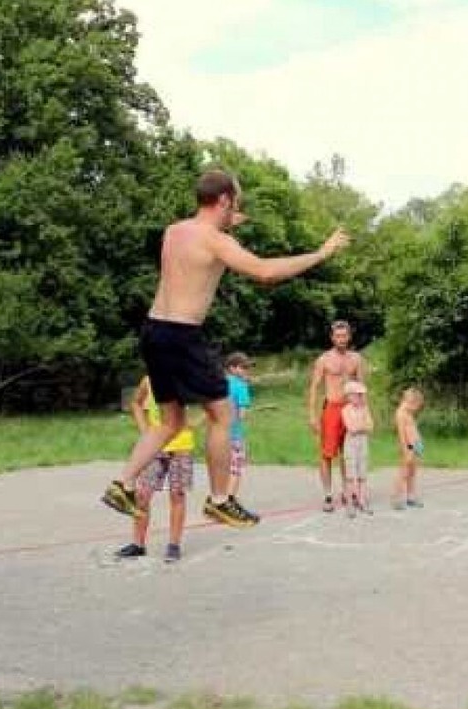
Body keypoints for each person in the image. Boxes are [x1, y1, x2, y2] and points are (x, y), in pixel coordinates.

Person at [100, 170, 350, 528]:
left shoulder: (175, 231)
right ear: (224, 200)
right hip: (183, 335)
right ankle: (219, 500)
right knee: (223, 414)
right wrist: (320, 254)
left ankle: (122, 484)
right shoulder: (217, 241)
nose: (239, 205)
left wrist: (226, 223)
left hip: (153, 331)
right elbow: (264, 271)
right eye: (237, 199)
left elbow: (199, 250)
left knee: (170, 421)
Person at [116, 377, 198, 562]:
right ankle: (138, 544)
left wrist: (196, 421)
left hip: (181, 446)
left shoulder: (184, 377)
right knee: (142, 494)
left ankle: (174, 545)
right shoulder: (148, 380)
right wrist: (145, 431)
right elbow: (136, 403)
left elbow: (209, 405)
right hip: (155, 446)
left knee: (177, 495)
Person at [307, 320, 367, 512]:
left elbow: (362, 388)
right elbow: (314, 388)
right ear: (332, 338)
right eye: (338, 336)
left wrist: (364, 414)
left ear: (349, 337)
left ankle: (347, 491)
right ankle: (327, 494)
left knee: (348, 453)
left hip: (350, 409)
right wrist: (312, 415)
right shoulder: (323, 359)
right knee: (327, 454)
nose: (341, 339)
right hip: (331, 409)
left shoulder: (357, 359)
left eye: (344, 336)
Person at [340, 380, 374, 518]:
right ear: (349, 396)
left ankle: (362, 500)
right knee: (350, 475)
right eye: (357, 394)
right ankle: (349, 504)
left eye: (361, 395)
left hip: (363, 443)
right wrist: (362, 425)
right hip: (351, 445)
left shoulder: (365, 408)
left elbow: (371, 426)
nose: (360, 397)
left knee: (362, 475)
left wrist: (361, 426)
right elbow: (351, 428)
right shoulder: (345, 410)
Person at [225, 352, 254, 503]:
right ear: (232, 368)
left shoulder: (219, 383)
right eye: (243, 367)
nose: (246, 370)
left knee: (222, 468)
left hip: (218, 435)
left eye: (247, 367)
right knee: (235, 469)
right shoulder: (241, 386)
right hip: (234, 435)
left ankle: (218, 500)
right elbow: (242, 414)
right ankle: (230, 500)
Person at [392, 387, 425, 510]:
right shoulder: (400, 413)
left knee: (412, 473)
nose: (416, 410)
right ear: (410, 401)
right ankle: (396, 499)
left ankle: (410, 498)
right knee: (404, 473)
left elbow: (412, 429)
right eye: (416, 406)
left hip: (415, 445)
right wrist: (406, 449)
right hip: (408, 447)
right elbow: (401, 434)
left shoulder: (408, 413)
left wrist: (419, 444)